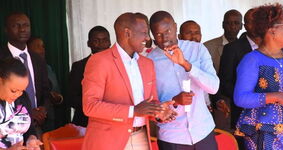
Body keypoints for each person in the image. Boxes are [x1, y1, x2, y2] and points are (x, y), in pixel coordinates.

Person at [81, 12, 176, 150]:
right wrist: (133, 111)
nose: (148, 38)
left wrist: (159, 110)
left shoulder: (147, 64)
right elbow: (90, 106)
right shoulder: (99, 61)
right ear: (127, 33)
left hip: (141, 137)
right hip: (108, 141)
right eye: (144, 32)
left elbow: (151, 101)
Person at [148, 11, 219, 150]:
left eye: (168, 31)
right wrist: (174, 101)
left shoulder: (197, 49)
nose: (164, 38)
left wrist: (187, 65)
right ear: (152, 35)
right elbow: (150, 103)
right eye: (158, 34)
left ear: (175, 27)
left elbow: (214, 87)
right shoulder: (149, 61)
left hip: (203, 132)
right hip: (172, 136)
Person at [234, 3, 283, 149]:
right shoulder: (252, 59)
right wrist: (276, 96)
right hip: (263, 132)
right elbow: (241, 98)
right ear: (271, 31)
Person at [0, 12, 53, 136]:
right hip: (6, 127)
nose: (23, 29)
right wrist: (28, 111)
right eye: (16, 25)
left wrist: (43, 110)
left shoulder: (38, 59)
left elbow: (46, 90)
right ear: (6, 30)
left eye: (26, 25)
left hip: (35, 127)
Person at [217, 9, 262, 133]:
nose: (256, 25)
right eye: (251, 22)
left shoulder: (272, 46)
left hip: (270, 113)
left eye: (259, 21)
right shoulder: (232, 48)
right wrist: (248, 98)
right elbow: (225, 82)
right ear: (245, 25)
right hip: (244, 112)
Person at [69, 26, 111, 127]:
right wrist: (96, 107)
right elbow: (72, 98)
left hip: (113, 121)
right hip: (86, 123)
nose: (101, 44)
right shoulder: (78, 66)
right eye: (96, 41)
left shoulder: (120, 65)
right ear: (88, 43)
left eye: (105, 40)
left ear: (110, 42)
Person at [0, 58, 42, 149]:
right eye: (13, 91)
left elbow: (30, 130)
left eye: (22, 90)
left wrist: (31, 139)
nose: (18, 95)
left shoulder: (23, 98)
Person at [27, 37, 63, 128]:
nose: (42, 49)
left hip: (49, 119)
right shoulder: (24, 68)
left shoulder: (48, 69)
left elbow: (57, 93)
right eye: (37, 46)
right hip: (29, 120)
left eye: (43, 46)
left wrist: (57, 98)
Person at [204, 9, 242, 73]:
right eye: (228, 23)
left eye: (236, 23)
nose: (232, 26)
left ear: (241, 26)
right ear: (223, 25)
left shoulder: (245, 47)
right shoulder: (207, 47)